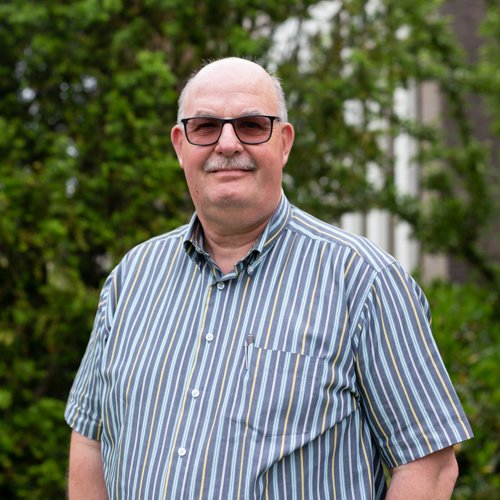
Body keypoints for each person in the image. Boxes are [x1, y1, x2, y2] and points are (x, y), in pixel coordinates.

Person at [66, 57, 473, 499]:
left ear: (284, 142)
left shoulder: (364, 281)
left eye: (251, 125)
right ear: (180, 145)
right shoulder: (132, 279)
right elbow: (90, 439)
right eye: (205, 126)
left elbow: (429, 465)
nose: (227, 143)